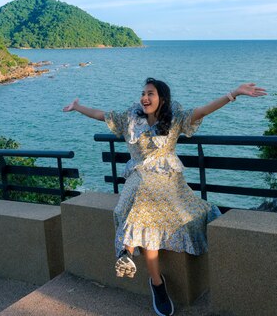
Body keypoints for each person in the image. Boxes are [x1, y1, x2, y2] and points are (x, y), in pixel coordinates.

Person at [63, 78, 266, 316]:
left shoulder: (175, 117)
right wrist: (77, 107)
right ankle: (154, 282)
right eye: (143, 93)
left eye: (150, 93)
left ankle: (128, 253)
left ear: (162, 98)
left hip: (168, 180)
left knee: (144, 201)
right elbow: (101, 115)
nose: (145, 98)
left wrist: (234, 94)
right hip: (139, 177)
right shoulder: (131, 118)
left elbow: (202, 110)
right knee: (144, 201)